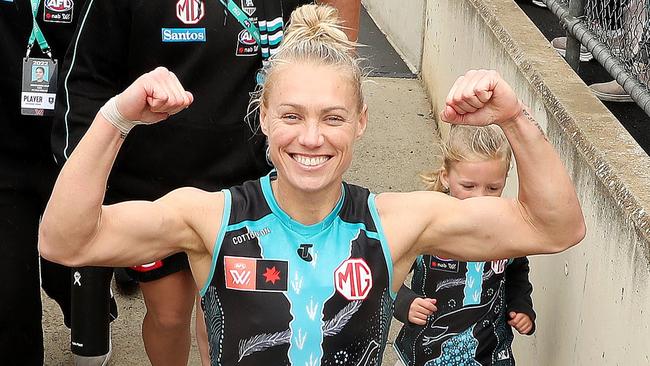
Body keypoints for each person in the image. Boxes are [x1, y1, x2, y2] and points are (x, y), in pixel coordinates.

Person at [40, 4, 585, 366]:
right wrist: (116, 117)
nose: (312, 138)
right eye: (292, 116)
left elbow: (554, 225)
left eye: (333, 117)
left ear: (362, 121)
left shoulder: (395, 223)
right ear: (265, 118)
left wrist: (515, 119)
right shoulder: (212, 217)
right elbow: (64, 241)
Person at [51, 0, 360, 364]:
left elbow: (322, 57)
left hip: (245, 186)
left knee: (225, 314)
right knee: (168, 315)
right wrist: (84, 165)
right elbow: (87, 76)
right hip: (156, 185)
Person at [0, 0, 104, 364]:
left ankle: (90, 313)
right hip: (8, 161)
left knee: (65, 269)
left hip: (75, 153)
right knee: (10, 292)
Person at [392, 125, 536, 366]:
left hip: (488, 355)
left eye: (493, 188)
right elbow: (384, 273)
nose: (480, 197)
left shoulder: (508, 229)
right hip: (424, 354)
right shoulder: (425, 225)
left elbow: (516, 271)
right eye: (468, 186)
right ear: (446, 176)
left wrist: (521, 305)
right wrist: (404, 302)